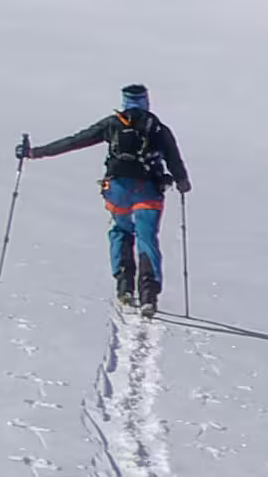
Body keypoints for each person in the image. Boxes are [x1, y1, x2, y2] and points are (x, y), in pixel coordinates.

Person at [20, 86, 191, 312]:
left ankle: (124, 288)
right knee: (146, 237)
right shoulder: (158, 128)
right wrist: (182, 181)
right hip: (149, 190)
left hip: (118, 190)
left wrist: (35, 152)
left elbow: (74, 141)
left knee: (120, 231)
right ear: (145, 101)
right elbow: (174, 159)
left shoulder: (112, 124)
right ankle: (149, 294)